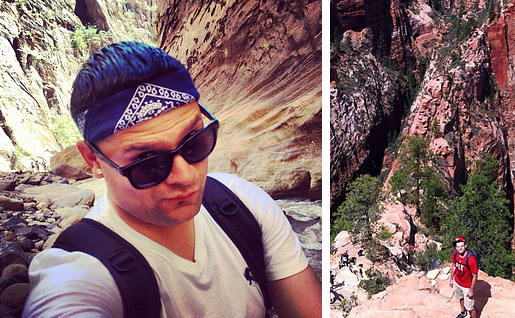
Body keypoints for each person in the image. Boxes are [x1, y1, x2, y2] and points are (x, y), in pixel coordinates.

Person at [23, 42, 321, 317]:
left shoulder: (242, 203)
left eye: (194, 141)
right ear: (93, 161)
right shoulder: (79, 271)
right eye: (147, 162)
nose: (186, 176)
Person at [450, 236, 478, 318]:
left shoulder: (471, 259)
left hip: (467, 286)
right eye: (458, 246)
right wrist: (451, 278)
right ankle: (463, 312)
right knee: (460, 298)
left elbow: (475, 275)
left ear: (465, 246)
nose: (460, 248)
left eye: (462, 246)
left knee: (470, 307)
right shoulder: (455, 253)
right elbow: (454, 265)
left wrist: (471, 290)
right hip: (457, 281)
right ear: (456, 247)